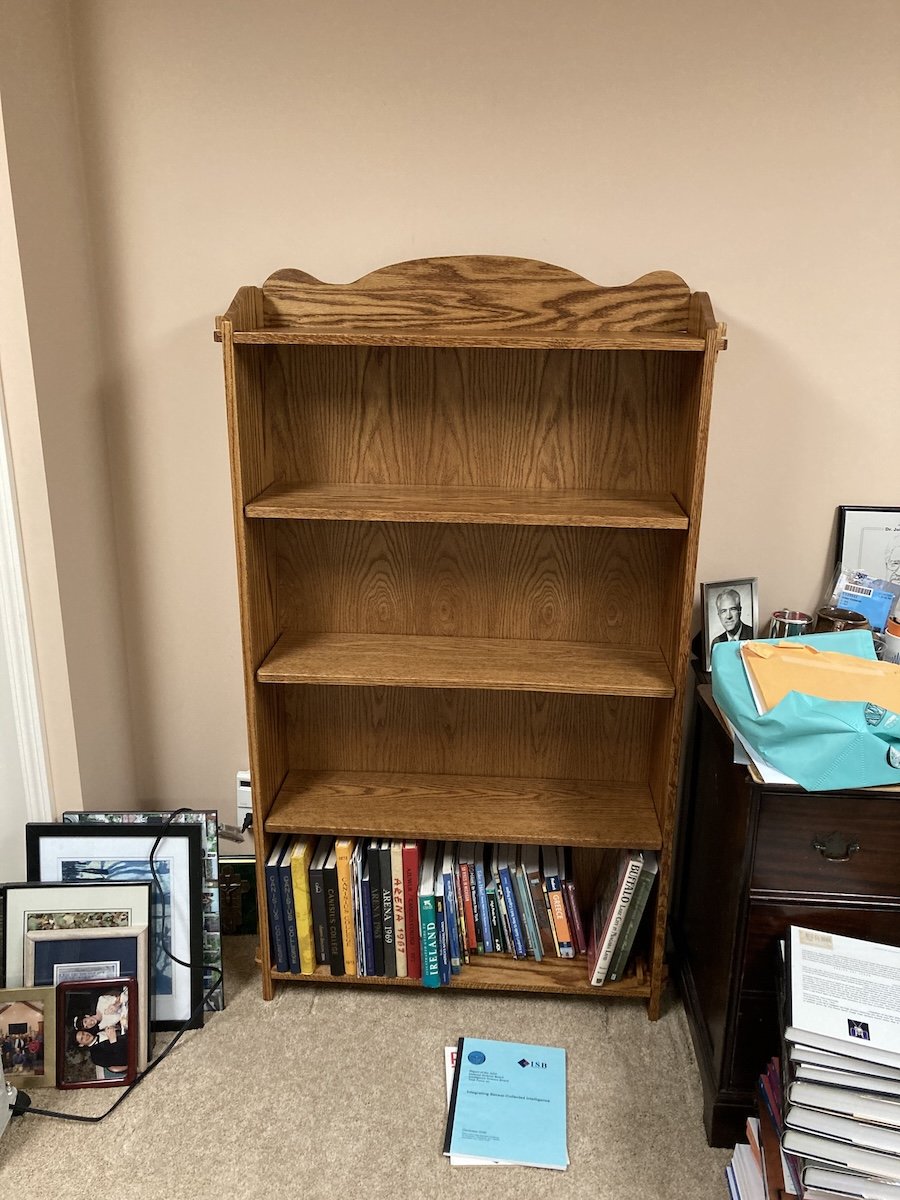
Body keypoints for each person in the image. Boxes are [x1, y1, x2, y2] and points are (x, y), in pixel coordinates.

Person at [709, 587, 752, 652]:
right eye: (723, 611)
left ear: (740, 610)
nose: (728, 616)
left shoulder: (753, 635)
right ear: (719, 615)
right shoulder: (717, 643)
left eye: (732, 609)